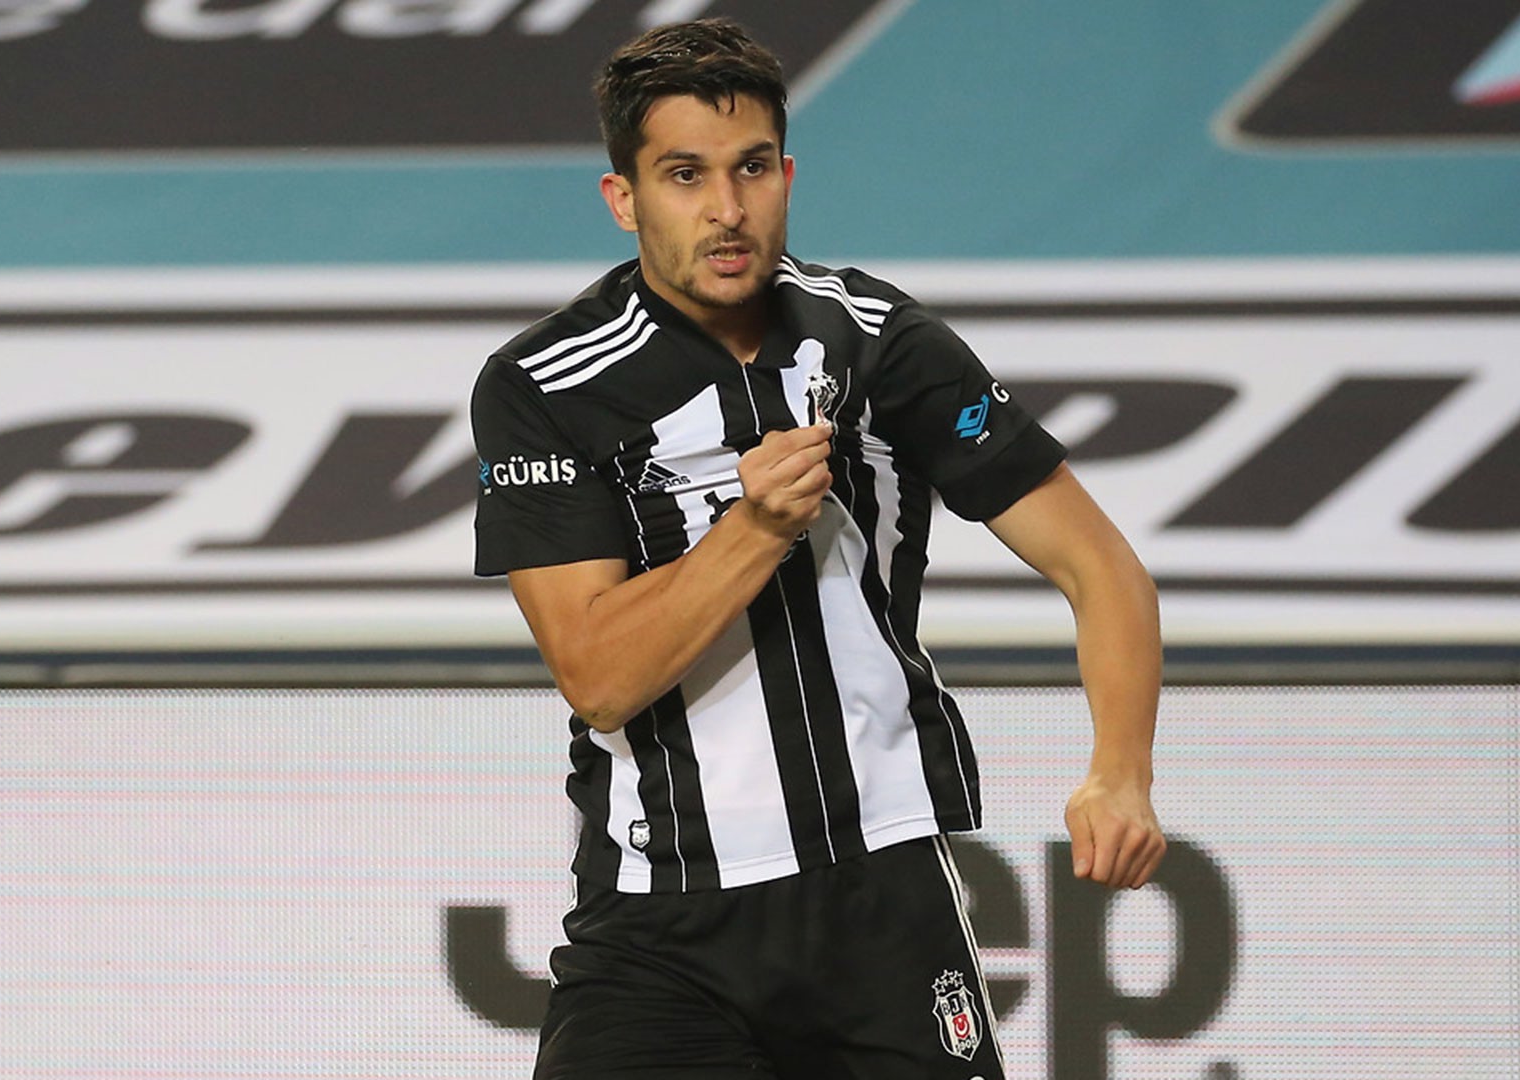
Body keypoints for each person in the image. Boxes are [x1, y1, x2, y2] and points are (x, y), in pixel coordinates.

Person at [470, 17, 1164, 1079]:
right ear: (624, 198)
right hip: (661, 927)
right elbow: (598, 675)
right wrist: (754, 529)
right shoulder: (545, 385)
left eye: (752, 169)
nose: (727, 208)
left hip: (881, 896)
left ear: (787, 175)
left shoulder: (882, 341)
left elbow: (1100, 567)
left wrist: (1120, 772)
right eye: (685, 175)